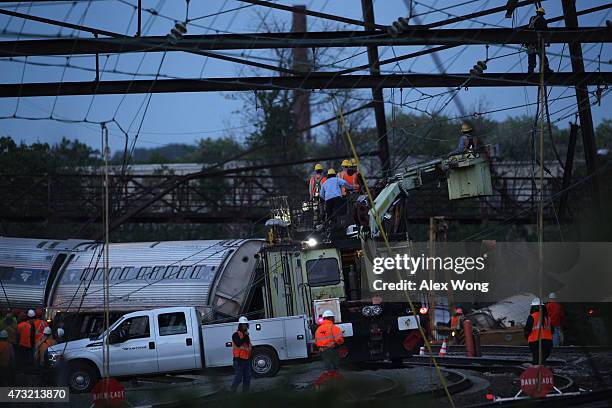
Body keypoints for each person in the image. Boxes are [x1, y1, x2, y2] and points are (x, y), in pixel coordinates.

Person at [524, 298, 553, 365]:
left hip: (535, 341)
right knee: (543, 360)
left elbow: (527, 330)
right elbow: (552, 330)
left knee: (536, 360)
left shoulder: (532, 317)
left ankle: (537, 372)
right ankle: (543, 372)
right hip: (547, 342)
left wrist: (527, 338)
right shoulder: (547, 317)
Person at [526, 7, 552, 74]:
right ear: (542, 14)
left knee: (531, 56)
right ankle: (546, 69)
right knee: (542, 56)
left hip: (530, 41)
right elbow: (545, 31)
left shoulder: (532, 18)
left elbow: (529, 28)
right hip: (538, 40)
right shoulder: (542, 19)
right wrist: (547, 41)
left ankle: (530, 70)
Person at [231, 316, 252, 393]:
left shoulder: (246, 336)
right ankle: (232, 392)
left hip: (246, 360)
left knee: (247, 378)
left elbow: (248, 346)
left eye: (246, 325)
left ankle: (245, 394)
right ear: (240, 325)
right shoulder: (235, 335)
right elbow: (238, 343)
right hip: (239, 360)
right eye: (243, 325)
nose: (245, 326)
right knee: (238, 378)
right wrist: (245, 335)